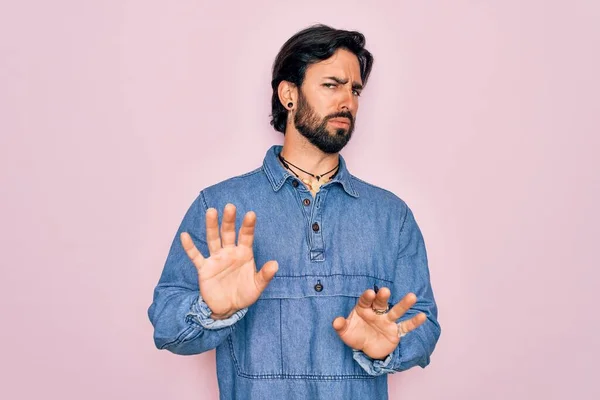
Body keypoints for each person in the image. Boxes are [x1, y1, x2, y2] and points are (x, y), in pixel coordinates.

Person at [148, 24, 441, 400]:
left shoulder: (391, 216)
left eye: (354, 90)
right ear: (289, 94)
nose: (347, 102)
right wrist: (212, 310)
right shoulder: (220, 207)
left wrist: (388, 347)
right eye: (331, 85)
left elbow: (425, 324)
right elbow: (166, 328)